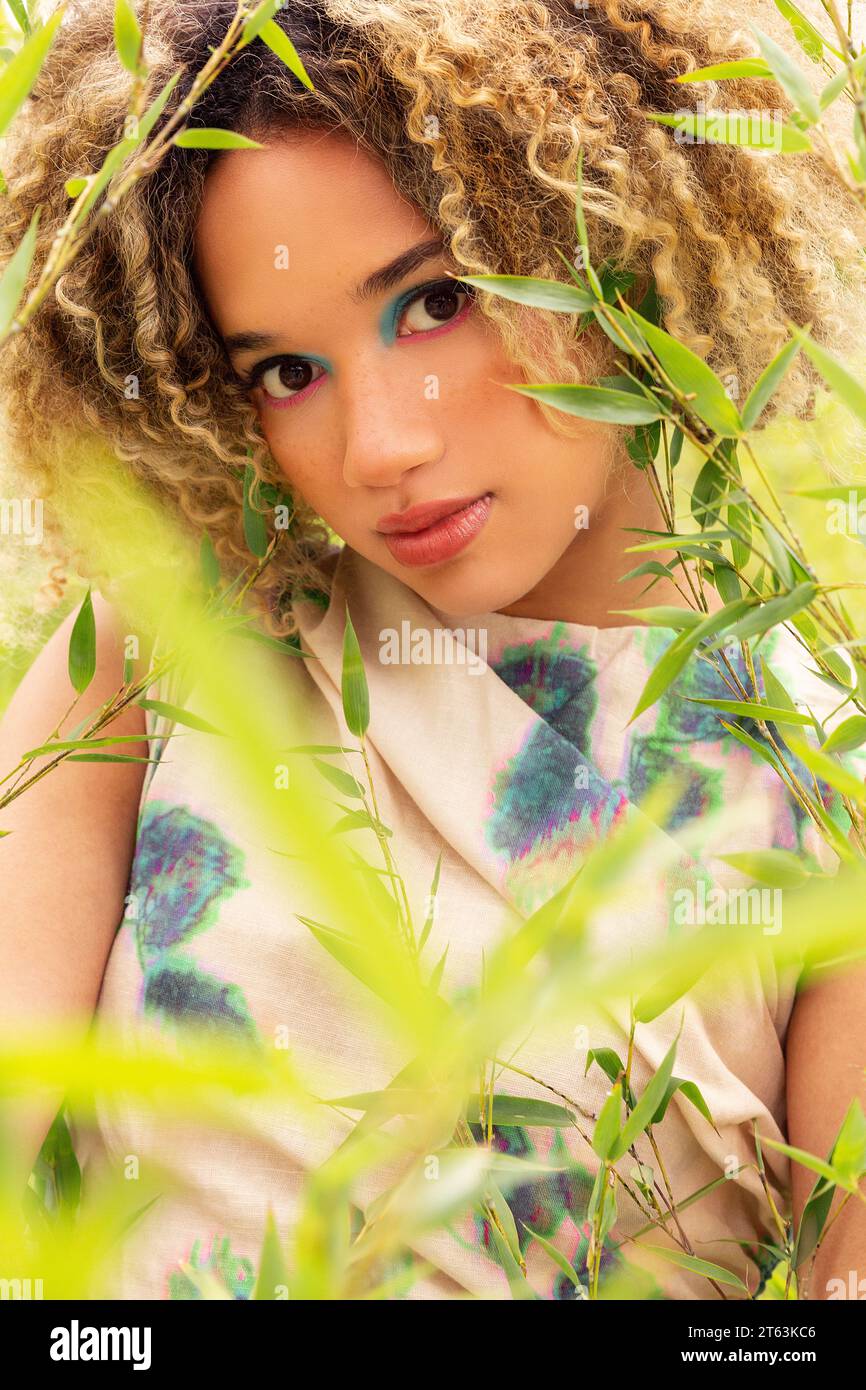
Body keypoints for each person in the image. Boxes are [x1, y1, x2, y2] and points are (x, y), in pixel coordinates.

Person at [1, 0, 865, 1300]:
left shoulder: (817, 770)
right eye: (287, 371)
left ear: (603, 234)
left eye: (436, 300)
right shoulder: (168, 642)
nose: (379, 448)